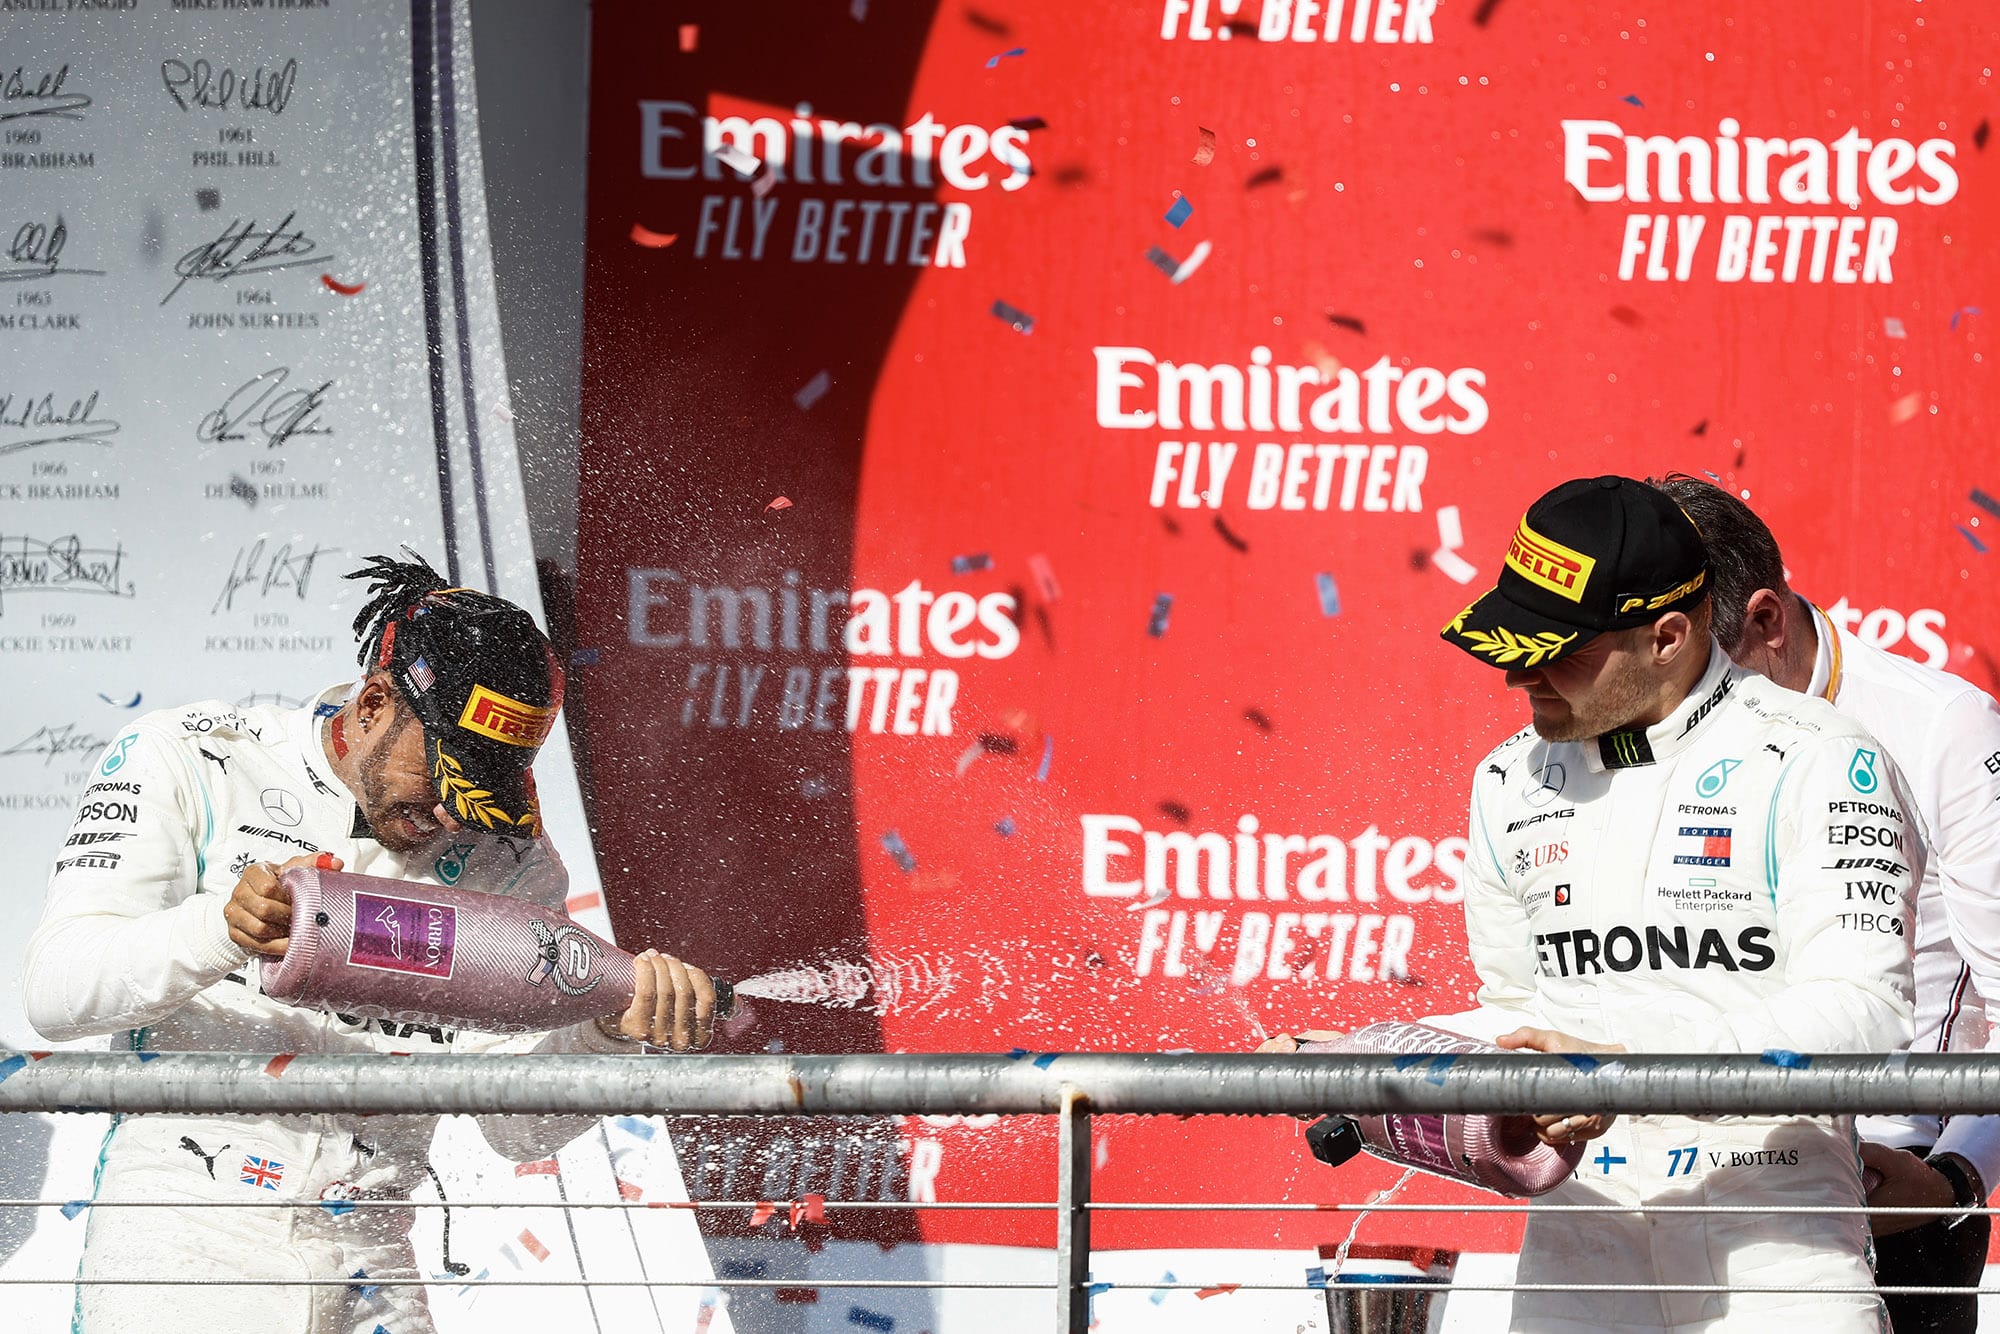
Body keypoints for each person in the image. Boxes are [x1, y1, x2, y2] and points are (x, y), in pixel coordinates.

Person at [1264, 475, 1920, 1332]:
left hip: (1773, 1230)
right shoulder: (1507, 779)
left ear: (1668, 635)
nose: (1516, 676)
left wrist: (1625, 1069)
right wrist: (1369, 1065)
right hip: (1581, 1242)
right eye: (1509, 646)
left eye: (1554, 650)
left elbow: (1867, 1012)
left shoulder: (1822, 757)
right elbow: (1522, 1021)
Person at [25, 553, 718, 1334]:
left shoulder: (510, 859)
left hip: (372, 1261)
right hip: (187, 1243)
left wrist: (604, 1038)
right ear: (374, 705)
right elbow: (56, 992)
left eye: (485, 792)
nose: (456, 819)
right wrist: (219, 928)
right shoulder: (192, 757)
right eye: (443, 777)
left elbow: (513, 1125)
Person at [1656, 473, 2000, 1334]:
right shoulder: (1643, 720)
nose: (1674, 718)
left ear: (1765, 622)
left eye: (1700, 680)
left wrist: (1957, 1181)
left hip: (1893, 1177)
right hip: (1677, 1169)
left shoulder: (1941, 727)